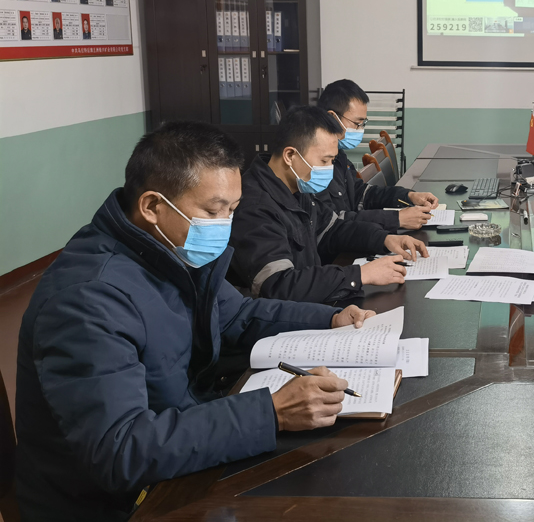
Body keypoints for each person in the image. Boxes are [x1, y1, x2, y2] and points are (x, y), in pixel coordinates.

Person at [16, 122, 375, 521]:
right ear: (152, 207)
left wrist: (331, 318)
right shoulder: (88, 299)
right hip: (112, 506)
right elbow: (120, 449)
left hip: (177, 453)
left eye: (232, 210)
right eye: (212, 211)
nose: (224, 224)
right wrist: (271, 412)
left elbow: (238, 314)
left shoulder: (174, 249)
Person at [229, 106, 427, 305]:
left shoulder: (297, 186)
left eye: (332, 160)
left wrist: (384, 239)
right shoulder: (255, 207)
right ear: (290, 156)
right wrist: (359, 275)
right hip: (287, 316)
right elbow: (279, 285)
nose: (329, 170)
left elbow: (332, 229)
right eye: (324, 161)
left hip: (314, 303)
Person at [317, 79, 439, 232]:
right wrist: (396, 219)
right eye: (357, 123)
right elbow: (333, 223)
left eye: (363, 123)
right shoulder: (314, 167)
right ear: (332, 118)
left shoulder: (339, 157)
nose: (360, 129)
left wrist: (408, 196)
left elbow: (361, 194)